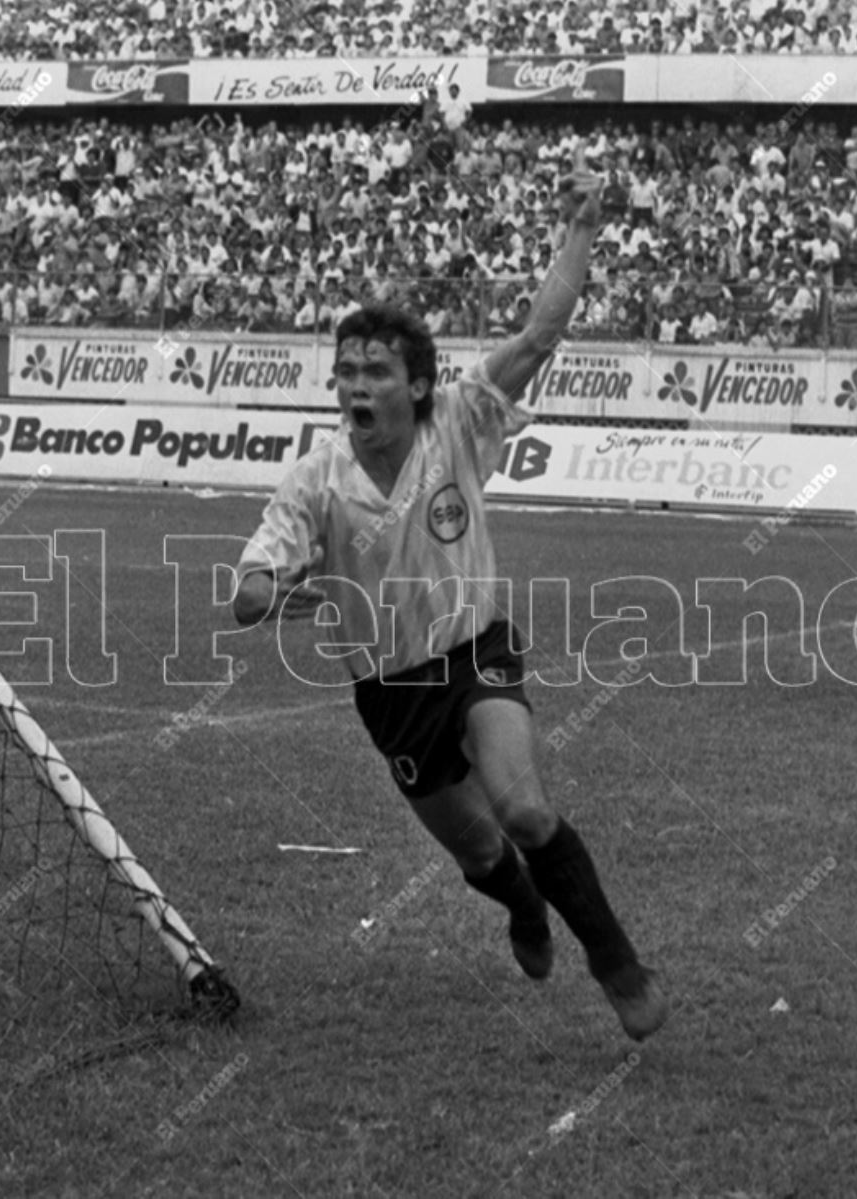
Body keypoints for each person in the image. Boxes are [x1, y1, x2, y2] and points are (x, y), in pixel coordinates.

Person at [231, 149, 668, 1042]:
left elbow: (540, 335)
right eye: (347, 369)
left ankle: (616, 961)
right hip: (389, 695)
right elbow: (246, 591)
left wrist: (581, 225)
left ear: (418, 385)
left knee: (524, 806)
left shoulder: (462, 420)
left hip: (476, 651)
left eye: (377, 371)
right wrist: (274, 588)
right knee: (478, 847)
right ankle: (521, 906)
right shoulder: (315, 477)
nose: (358, 384)